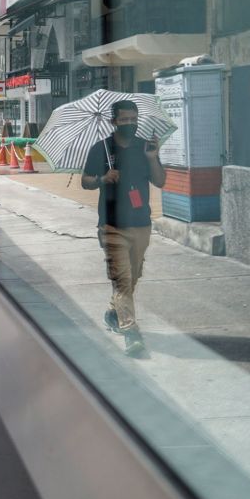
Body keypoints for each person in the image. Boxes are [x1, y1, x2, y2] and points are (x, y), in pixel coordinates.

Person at [81, 99, 166, 357]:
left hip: (141, 223)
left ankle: (112, 312)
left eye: (133, 119)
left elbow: (160, 181)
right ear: (113, 121)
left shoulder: (145, 147)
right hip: (111, 225)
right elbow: (85, 181)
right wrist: (102, 178)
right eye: (124, 119)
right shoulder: (101, 149)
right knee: (122, 280)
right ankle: (131, 332)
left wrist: (152, 157)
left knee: (134, 276)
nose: (130, 123)